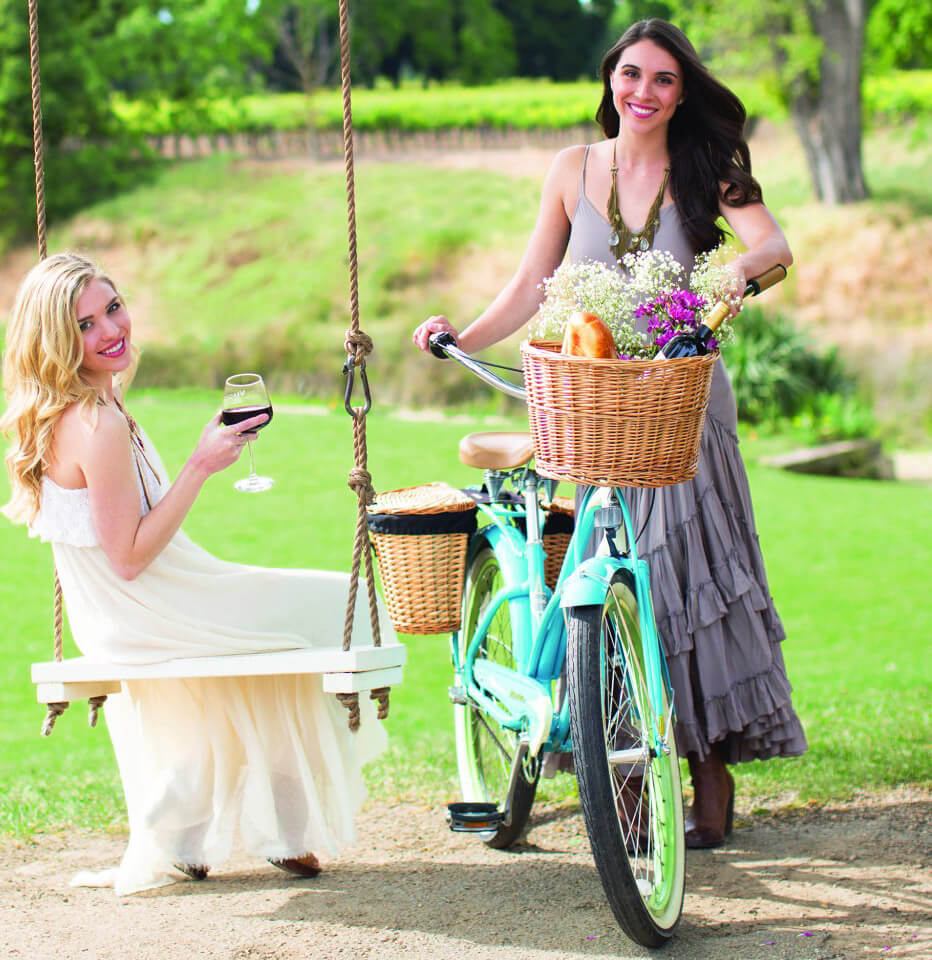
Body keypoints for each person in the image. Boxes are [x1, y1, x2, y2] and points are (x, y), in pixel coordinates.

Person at [413, 18, 807, 848]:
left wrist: (722, 280)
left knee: (686, 583)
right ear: (610, 79)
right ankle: (621, 769)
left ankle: (710, 773)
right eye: (632, 74)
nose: (644, 92)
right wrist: (464, 337)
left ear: (682, 92)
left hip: (684, 405)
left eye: (664, 80)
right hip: (593, 406)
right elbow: (533, 283)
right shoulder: (570, 169)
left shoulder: (707, 167)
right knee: (606, 585)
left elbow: (773, 247)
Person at [2, 252, 390, 894]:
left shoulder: (95, 406)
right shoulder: (94, 424)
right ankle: (280, 830)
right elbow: (126, 558)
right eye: (85, 325)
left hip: (148, 599)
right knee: (336, 604)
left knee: (307, 618)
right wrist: (201, 465)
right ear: (56, 341)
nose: (110, 330)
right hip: (147, 606)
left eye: (114, 308)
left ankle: (217, 834)